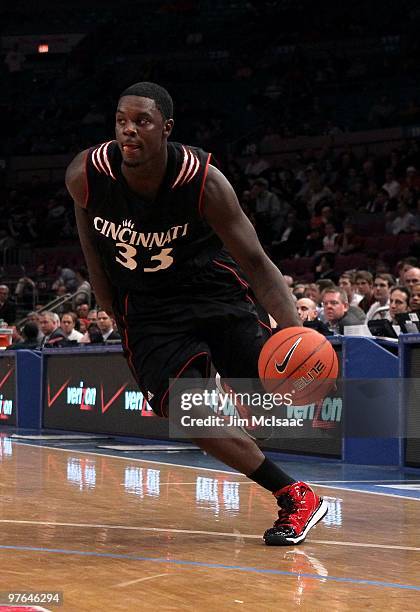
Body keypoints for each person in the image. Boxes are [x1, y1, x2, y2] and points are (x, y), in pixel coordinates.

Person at [65, 81, 328, 546]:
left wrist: (296, 333)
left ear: (165, 128)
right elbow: (91, 248)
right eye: (122, 121)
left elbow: (257, 262)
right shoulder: (87, 174)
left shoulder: (203, 181)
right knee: (189, 417)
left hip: (211, 290)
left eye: (142, 121)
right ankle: (293, 493)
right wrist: (114, 310)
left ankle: (240, 396)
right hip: (146, 306)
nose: (129, 131)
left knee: (278, 385)